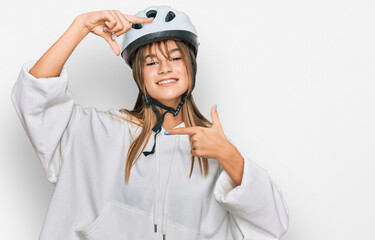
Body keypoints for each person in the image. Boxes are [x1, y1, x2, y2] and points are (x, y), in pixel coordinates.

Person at [10, 6, 289, 240]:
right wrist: (80, 26)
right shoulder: (95, 132)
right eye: (152, 62)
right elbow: (34, 97)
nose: (165, 68)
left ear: (191, 66)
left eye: (175, 58)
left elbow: (273, 223)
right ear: (138, 74)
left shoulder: (213, 150)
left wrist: (228, 155)